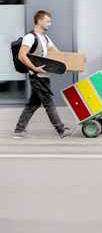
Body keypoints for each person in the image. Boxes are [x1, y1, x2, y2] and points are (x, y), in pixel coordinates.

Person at [13, 10, 72, 139]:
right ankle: (61, 129)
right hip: (36, 76)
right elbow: (21, 55)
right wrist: (34, 68)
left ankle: (19, 130)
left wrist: (72, 62)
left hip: (44, 76)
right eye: (47, 21)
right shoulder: (30, 37)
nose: (50, 24)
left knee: (33, 103)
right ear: (39, 21)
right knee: (49, 102)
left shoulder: (45, 38)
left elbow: (58, 54)